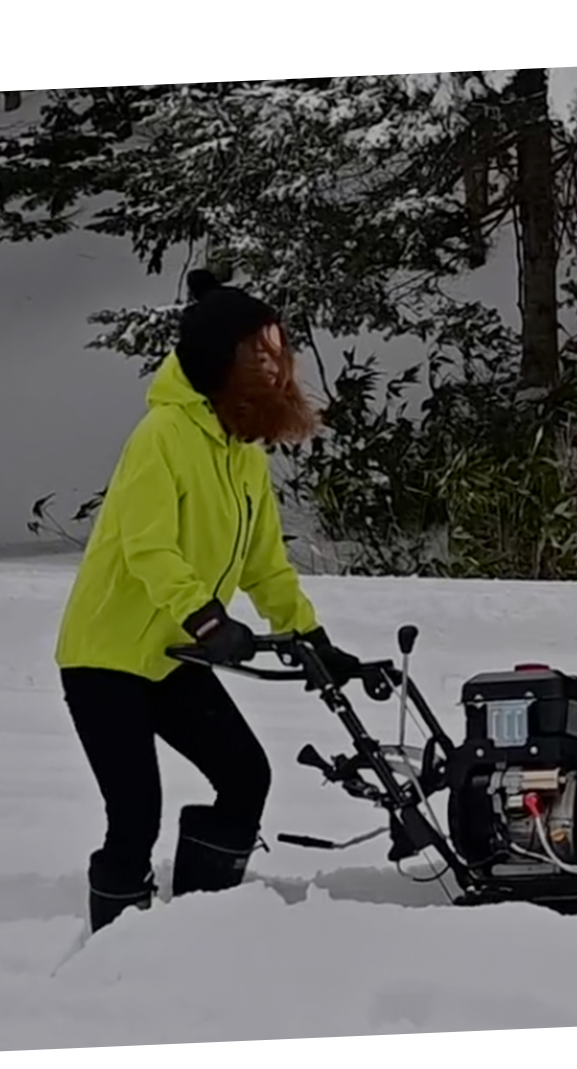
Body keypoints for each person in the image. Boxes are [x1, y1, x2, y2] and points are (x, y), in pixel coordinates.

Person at [52, 268, 363, 932]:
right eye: (262, 358)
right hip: (106, 659)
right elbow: (149, 549)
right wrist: (209, 619)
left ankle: (198, 926)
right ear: (225, 364)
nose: (277, 373)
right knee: (136, 813)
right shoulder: (160, 438)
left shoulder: (241, 452)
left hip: (172, 657)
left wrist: (311, 638)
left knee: (245, 776)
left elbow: (264, 564)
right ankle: (115, 947)